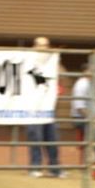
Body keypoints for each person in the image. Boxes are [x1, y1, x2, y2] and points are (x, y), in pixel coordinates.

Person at [26, 37, 64, 178]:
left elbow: (64, 76)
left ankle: (55, 168)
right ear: (34, 46)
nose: (44, 48)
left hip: (48, 108)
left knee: (52, 138)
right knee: (35, 138)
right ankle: (35, 167)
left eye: (46, 45)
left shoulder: (51, 62)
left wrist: (56, 59)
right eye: (40, 45)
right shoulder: (27, 60)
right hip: (32, 108)